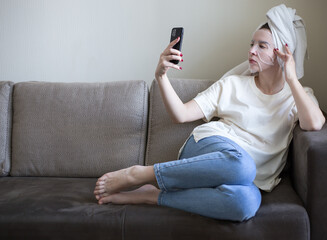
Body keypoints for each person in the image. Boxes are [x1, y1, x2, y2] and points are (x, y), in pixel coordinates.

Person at [94, 4, 325, 221]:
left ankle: (152, 195)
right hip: (209, 148)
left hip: (248, 179)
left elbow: (314, 123)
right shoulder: (233, 85)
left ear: (283, 54)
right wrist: (161, 76)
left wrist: (292, 78)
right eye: (251, 43)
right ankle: (140, 174)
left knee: (244, 204)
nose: (251, 51)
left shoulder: (298, 96)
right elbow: (181, 115)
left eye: (261, 46)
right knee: (243, 165)